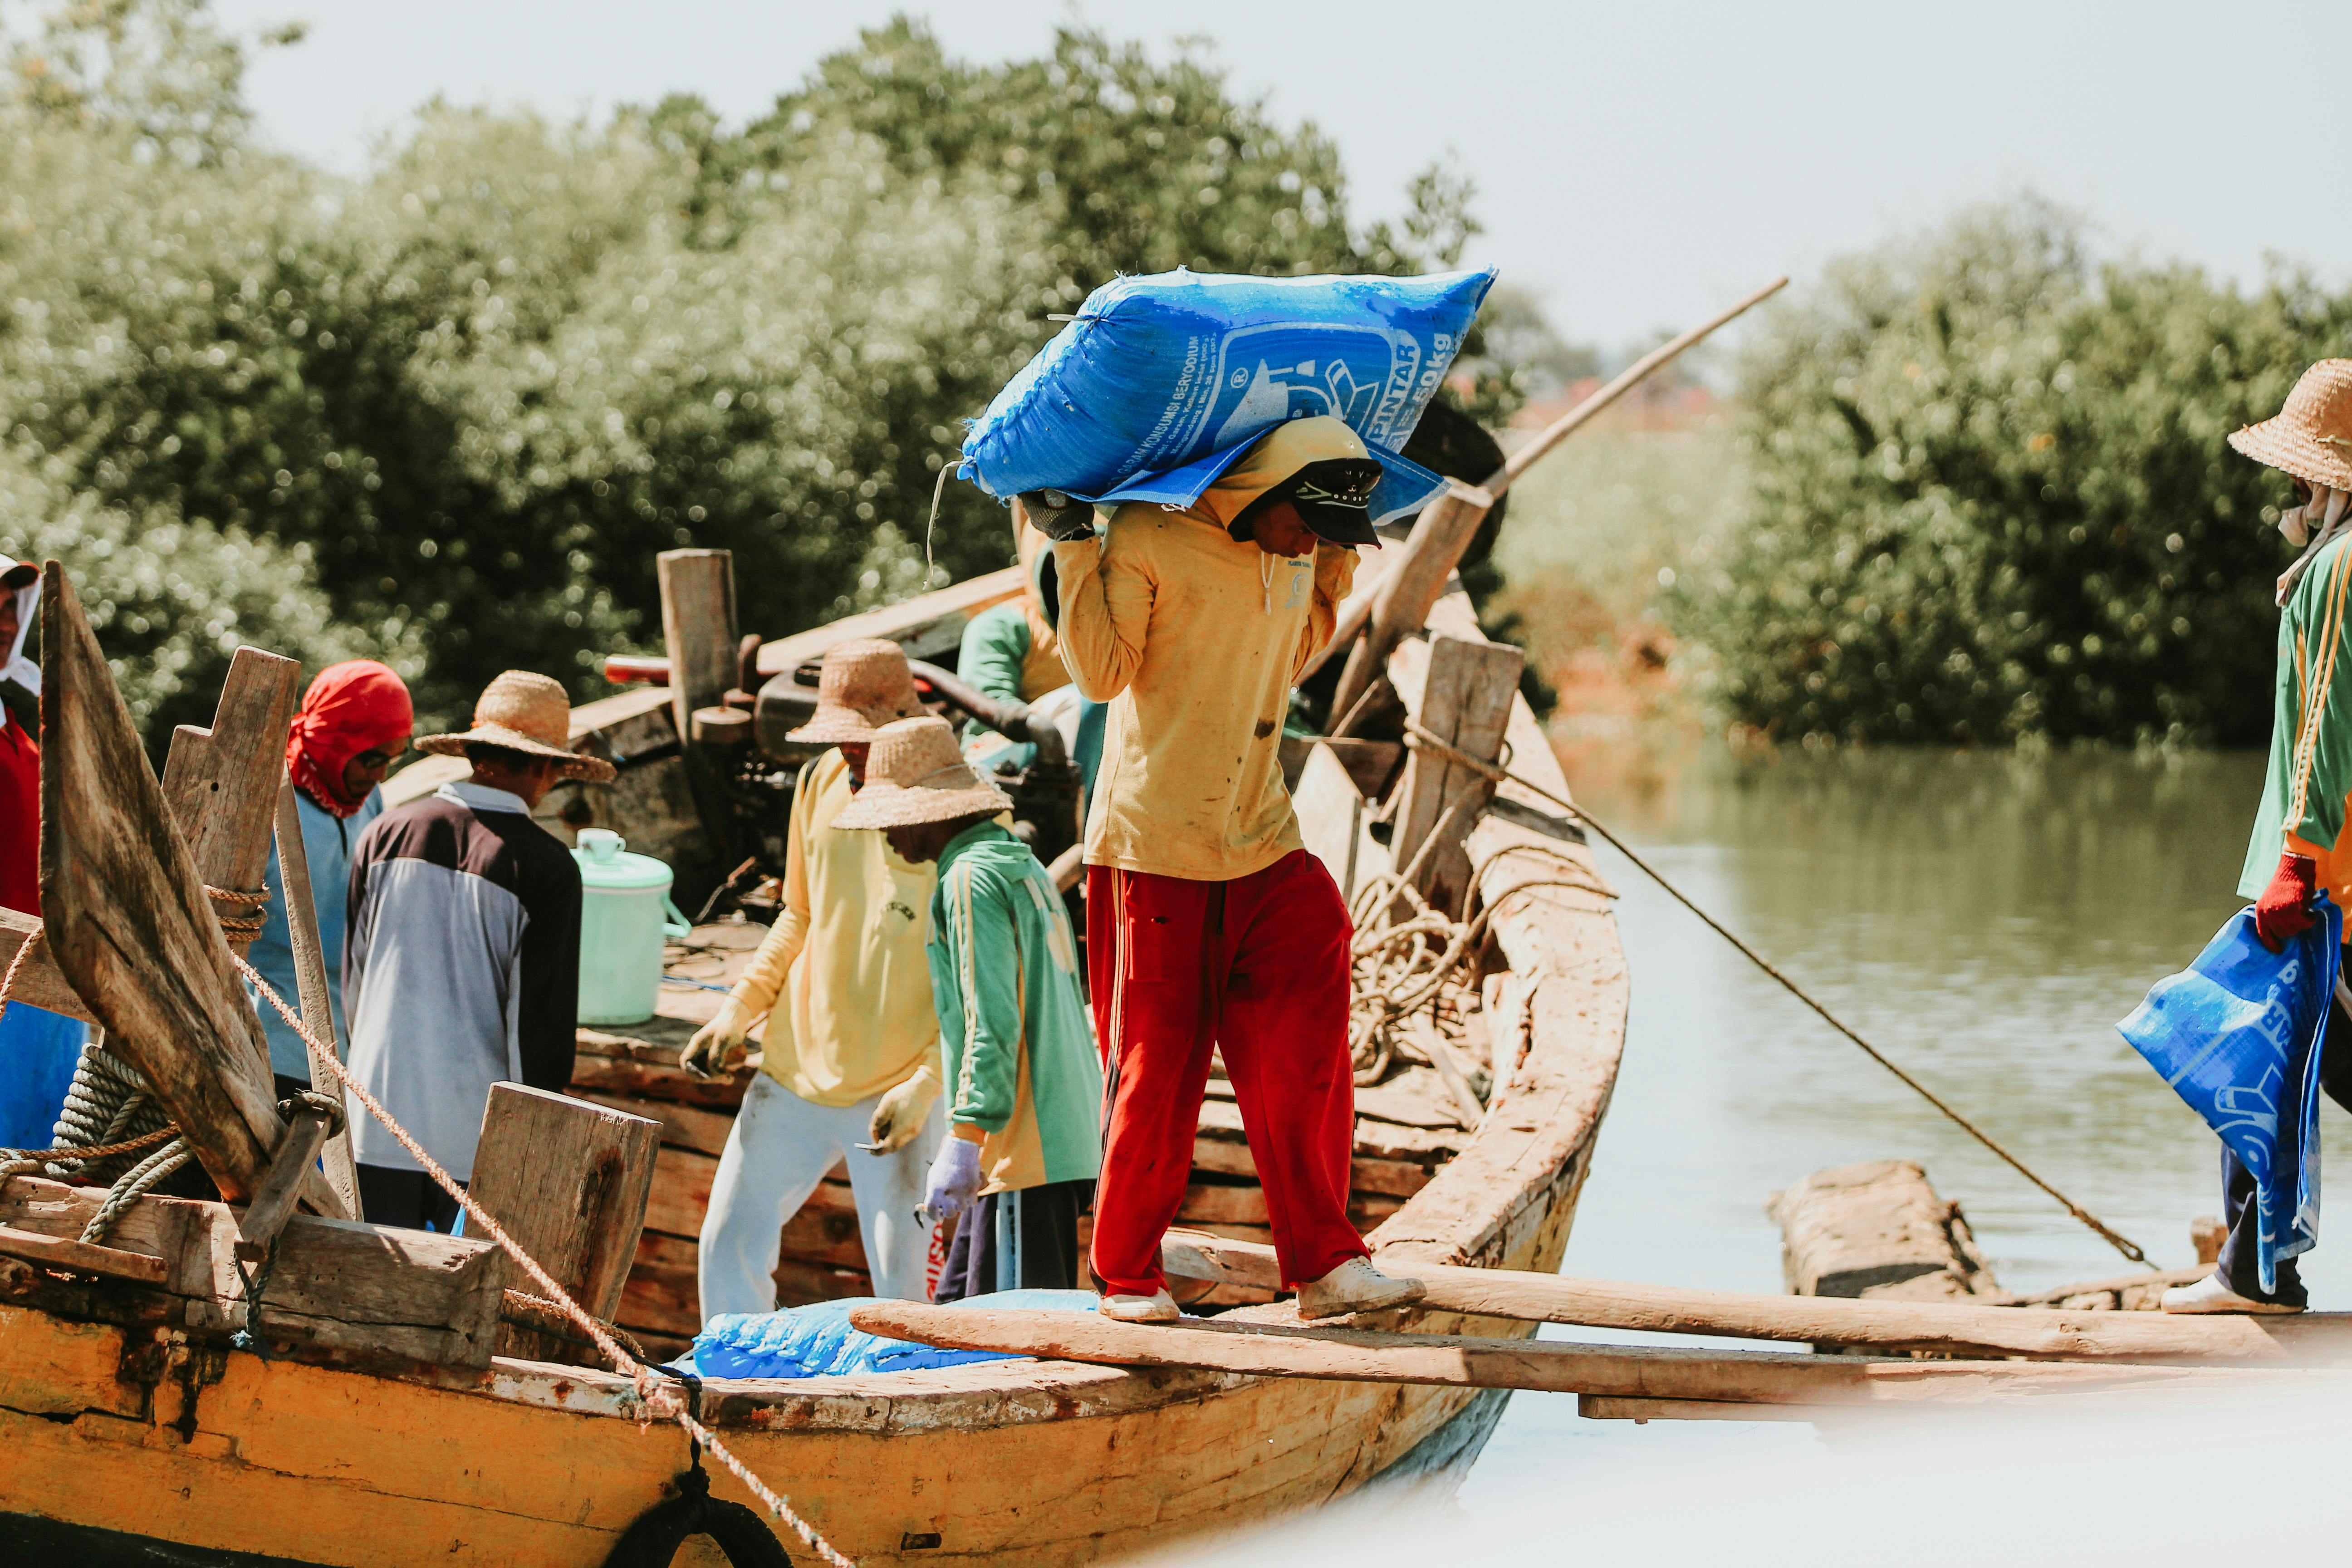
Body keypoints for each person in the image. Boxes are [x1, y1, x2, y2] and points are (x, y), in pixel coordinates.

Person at [1048, 414, 1427, 1322]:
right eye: (1307, 527)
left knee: (1307, 1046)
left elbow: (1290, 654)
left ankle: (1328, 1268)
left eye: (1324, 538)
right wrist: (1068, 544)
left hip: (1261, 837)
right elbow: (1102, 675)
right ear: (1263, 495)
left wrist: (1333, 562)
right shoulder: (1147, 533)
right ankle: (1129, 1276)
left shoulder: (1300, 553)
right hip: (1156, 847)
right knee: (1157, 1068)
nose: (1308, 545)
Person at [2167, 359, 2352, 1314]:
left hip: (2323, 882)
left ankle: (2256, 1276)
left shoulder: (2339, 565)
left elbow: (2324, 715)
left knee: (2260, 1059)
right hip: (2330, 872)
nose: (2292, 498)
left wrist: (2294, 863)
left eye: (2302, 481)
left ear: (2331, 479)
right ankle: (2260, 1267)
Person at [684, 640, 945, 1312]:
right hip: (795, 1068)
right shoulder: (818, 780)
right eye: (840, 738)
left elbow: (981, 983)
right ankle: (729, 1391)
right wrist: (736, 1011)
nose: (850, 753)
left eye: (862, 739)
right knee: (727, 1246)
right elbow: (798, 914)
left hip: (899, 1088)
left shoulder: (959, 806)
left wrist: (928, 1084)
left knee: (907, 1295)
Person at [831, 715, 1105, 1298]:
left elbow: (992, 1021)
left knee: (1010, 1347)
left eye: (891, 819)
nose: (886, 836)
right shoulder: (1016, 860)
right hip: (1051, 1142)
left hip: (1022, 1153)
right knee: (956, 1315)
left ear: (930, 812)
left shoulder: (968, 879)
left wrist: (966, 1137)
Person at [341, 670, 607, 1230]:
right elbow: (537, 1029)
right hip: (472, 1148)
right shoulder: (547, 868)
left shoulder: (384, 833)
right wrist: (538, 1150)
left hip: (371, 1124)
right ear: (541, 767)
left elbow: (354, 986)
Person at [248, 660, 412, 1102]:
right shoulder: (265, 803)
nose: (378, 774)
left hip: (346, 1055)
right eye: (370, 758)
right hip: (267, 1047)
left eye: (390, 761)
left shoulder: (370, 800)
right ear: (332, 741)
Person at [0, 554, 83, 1153]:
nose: (6, 624)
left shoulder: (20, 733)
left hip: (35, 986)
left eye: (12, 611)